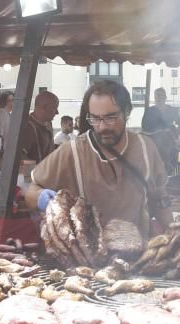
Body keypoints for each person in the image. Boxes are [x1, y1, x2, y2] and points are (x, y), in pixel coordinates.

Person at [26, 80, 171, 240]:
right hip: (88, 257)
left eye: (110, 117)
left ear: (127, 111)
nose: (102, 127)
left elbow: (160, 199)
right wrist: (41, 197)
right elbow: (31, 191)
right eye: (95, 118)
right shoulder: (72, 151)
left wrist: (174, 234)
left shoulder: (146, 148)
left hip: (139, 254)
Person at [20, 91, 59, 162]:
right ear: (45, 107)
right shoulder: (28, 127)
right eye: (54, 108)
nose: (57, 112)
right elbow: (20, 157)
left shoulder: (49, 124)